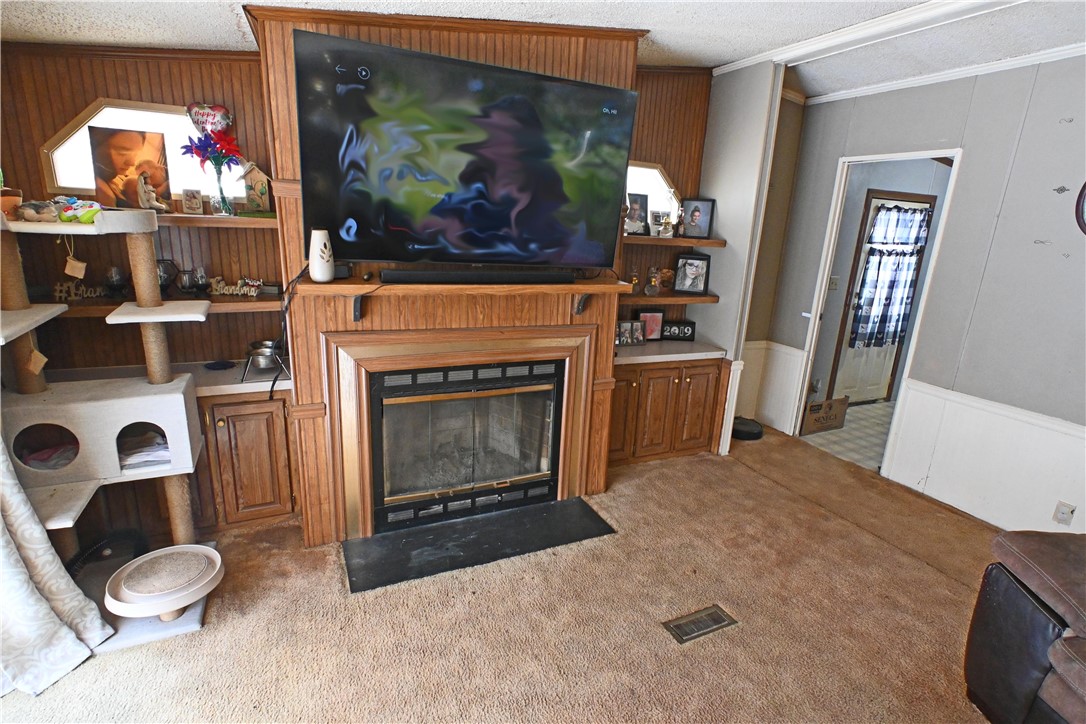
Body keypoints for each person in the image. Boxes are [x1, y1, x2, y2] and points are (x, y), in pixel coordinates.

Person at [92, 129, 170, 208]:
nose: (131, 163)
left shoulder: (112, 180)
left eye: (135, 155)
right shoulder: (102, 189)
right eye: (122, 152)